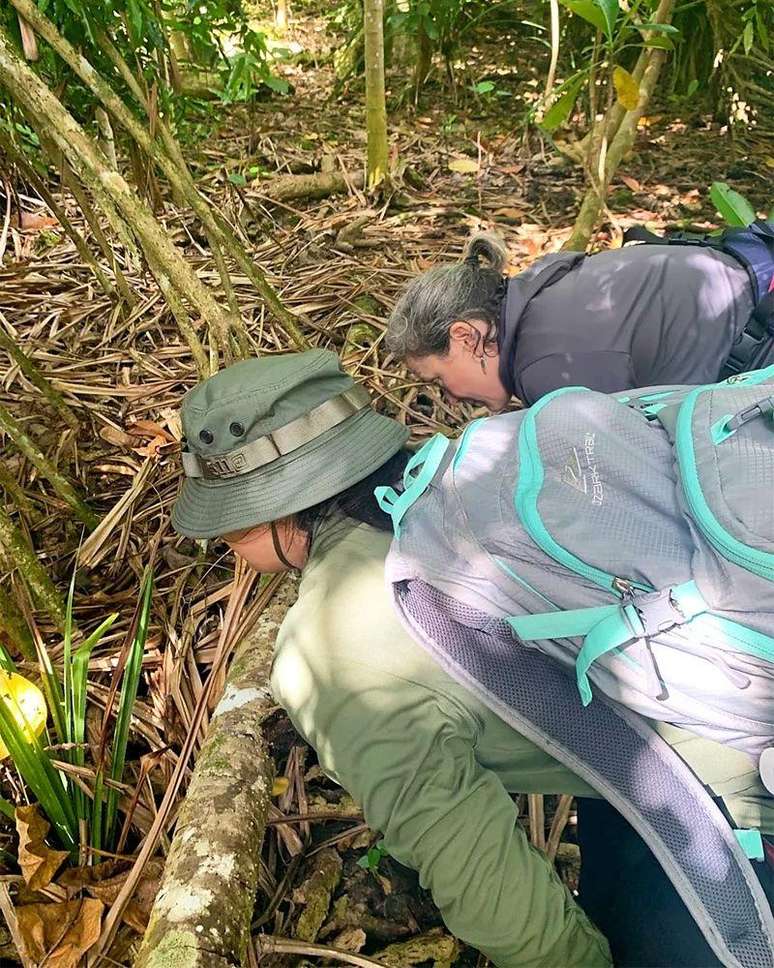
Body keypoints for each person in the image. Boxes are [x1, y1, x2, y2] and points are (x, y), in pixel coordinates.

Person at [172, 349, 774, 967]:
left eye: (228, 524)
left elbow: (492, 890)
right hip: (672, 737)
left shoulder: (326, 653)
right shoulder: (473, 464)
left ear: (270, 510)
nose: (224, 542)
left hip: (727, 798)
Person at [386, 223, 774, 408]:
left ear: (466, 337)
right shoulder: (538, 287)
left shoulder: (547, 368)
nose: (450, 400)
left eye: (439, 378)